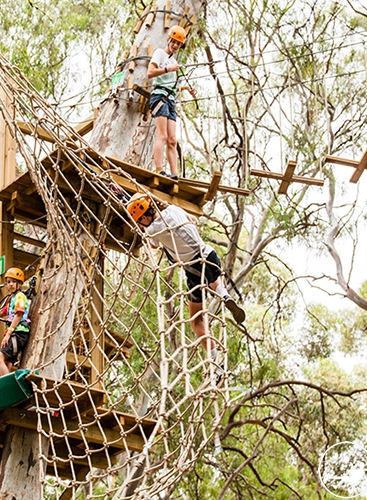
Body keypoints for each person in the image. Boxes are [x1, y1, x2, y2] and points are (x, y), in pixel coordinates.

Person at [127, 194, 246, 360]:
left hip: (193, 267)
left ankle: (215, 359)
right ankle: (223, 293)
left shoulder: (153, 229)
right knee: (211, 277)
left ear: (145, 217)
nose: (140, 225)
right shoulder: (174, 209)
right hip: (209, 254)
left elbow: (153, 244)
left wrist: (144, 232)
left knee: (196, 320)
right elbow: (191, 219)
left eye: (140, 222)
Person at [147, 25, 197, 180]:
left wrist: (186, 88)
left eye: (178, 44)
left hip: (170, 99)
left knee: (172, 139)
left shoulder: (173, 61)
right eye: (174, 42)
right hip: (159, 97)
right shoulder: (159, 54)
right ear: (168, 40)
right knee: (162, 135)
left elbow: (170, 85)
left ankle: (175, 175)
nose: (175, 45)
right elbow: (150, 73)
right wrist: (169, 69)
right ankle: (159, 169)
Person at [0, 267, 31, 376]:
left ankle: (8, 385)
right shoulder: (12, 299)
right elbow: (0, 313)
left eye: (14, 282)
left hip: (18, 333)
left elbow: (19, 315)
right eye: (8, 282)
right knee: (7, 363)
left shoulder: (20, 296)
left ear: (19, 284)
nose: (10, 284)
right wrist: (6, 304)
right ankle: (8, 387)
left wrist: (8, 334)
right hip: (16, 333)